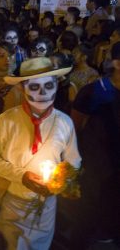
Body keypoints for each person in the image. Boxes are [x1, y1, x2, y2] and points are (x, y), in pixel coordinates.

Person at [0, 57, 81, 249]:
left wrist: (59, 182)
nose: (43, 93)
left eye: (49, 86)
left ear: (56, 86)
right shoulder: (6, 121)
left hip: (46, 208)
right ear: (22, 88)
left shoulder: (64, 122)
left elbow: (73, 160)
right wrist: (21, 176)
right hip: (12, 203)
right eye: (35, 87)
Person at [70, 42, 120, 245]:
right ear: (117, 63)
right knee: (88, 214)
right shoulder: (94, 91)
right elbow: (74, 127)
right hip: (95, 168)